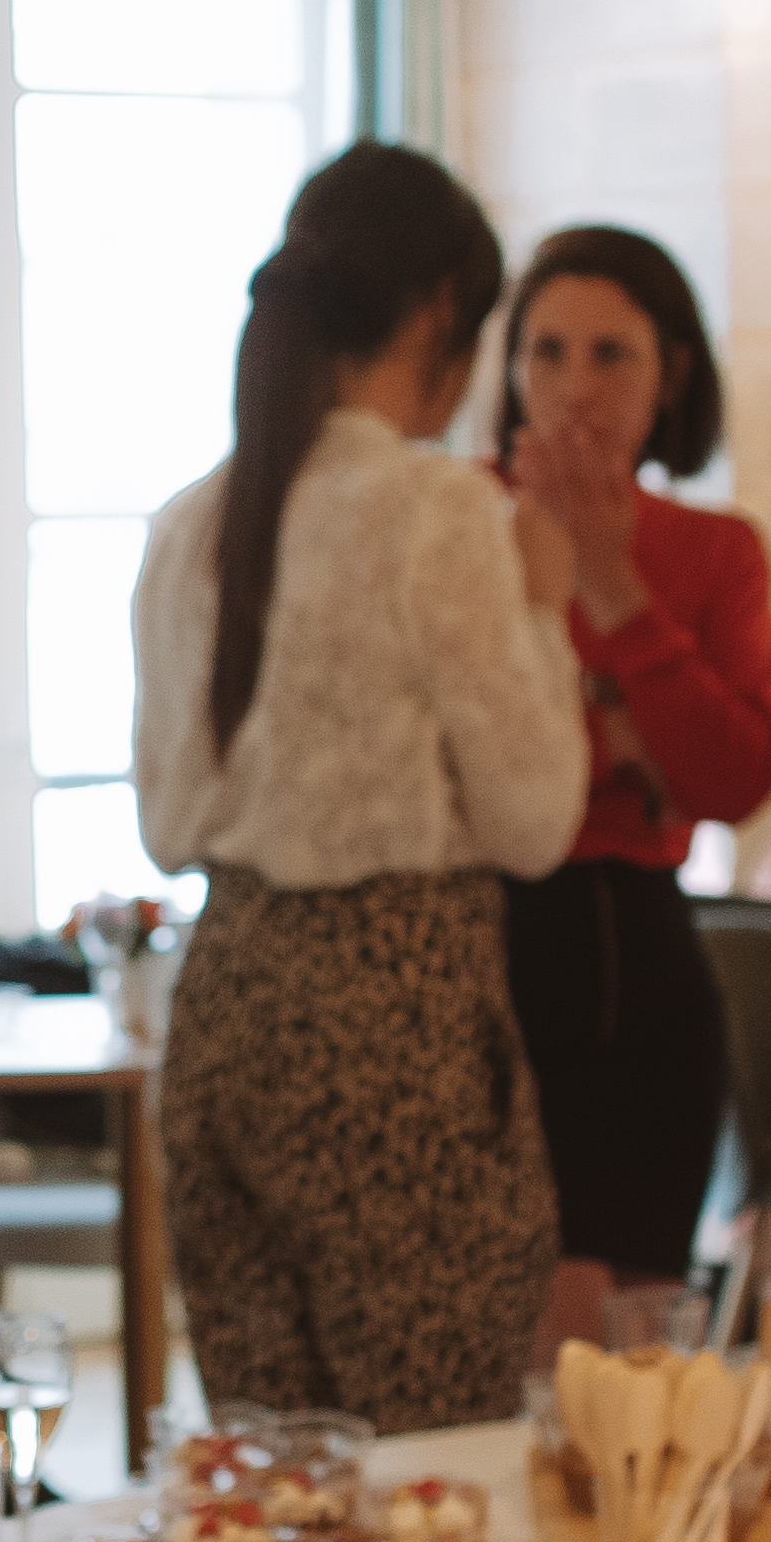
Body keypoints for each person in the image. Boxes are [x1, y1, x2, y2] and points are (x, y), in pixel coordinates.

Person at [130, 141, 590, 1430]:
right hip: (394, 1020)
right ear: (444, 311)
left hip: (225, 1005)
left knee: (272, 1489)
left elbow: (164, 821)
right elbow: (536, 819)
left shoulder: (190, 523)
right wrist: (547, 610)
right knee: (430, 1476)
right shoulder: (431, 510)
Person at [488, 226, 771, 1301]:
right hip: (481, 949)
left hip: (639, 956)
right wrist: (621, 731)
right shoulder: (454, 521)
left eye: (611, 354)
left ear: (670, 376)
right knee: (494, 1338)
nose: (574, 386)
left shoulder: (714, 552)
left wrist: (613, 589)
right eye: (546, 352)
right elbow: (447, 760)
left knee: (630, 1350)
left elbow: (733, 778)